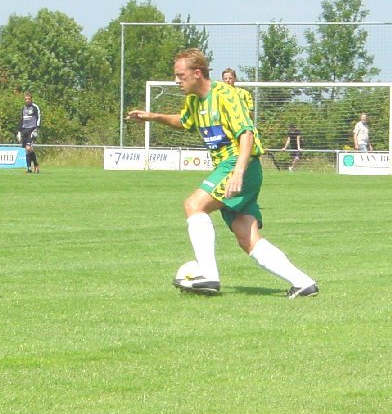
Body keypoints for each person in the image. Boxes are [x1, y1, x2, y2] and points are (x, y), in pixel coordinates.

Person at [128, 48, 318, 299]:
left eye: (180, 75)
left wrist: (238, 173)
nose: (177, 80)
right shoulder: (194, 101)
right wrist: (153, 116)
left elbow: (247, 134)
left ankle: (208, 275)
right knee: (245, 234)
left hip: (239, 164)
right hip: (232, 167)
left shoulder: (225, 95)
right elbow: (185, 121)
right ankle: (303, 283)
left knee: (194, 205)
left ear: (197, 73)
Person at [17, 92, 41, 173]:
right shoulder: (23, 108)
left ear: (31, 99)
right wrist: (19, 131)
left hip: (32, 129)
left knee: (28, 147)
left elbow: (38, 118)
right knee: (26, 150)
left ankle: (36, 164)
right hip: (24, 130)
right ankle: (29, 168)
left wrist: (36, 128)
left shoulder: (35, 107)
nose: (27, 100)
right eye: (26, 99)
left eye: (28, 99)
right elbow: (21, 120)